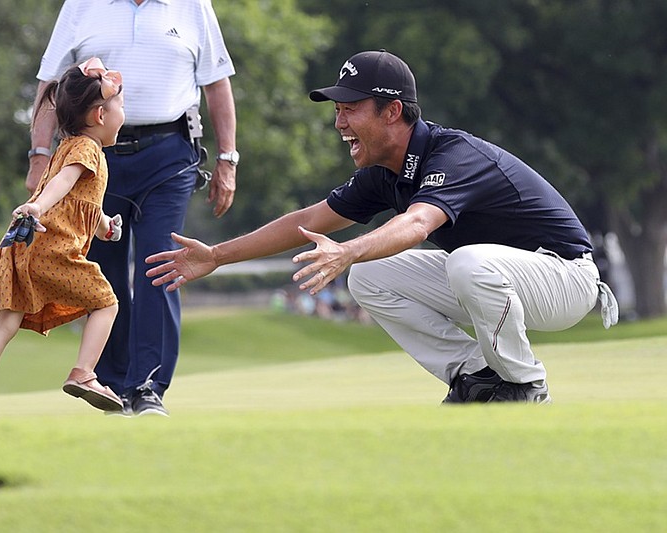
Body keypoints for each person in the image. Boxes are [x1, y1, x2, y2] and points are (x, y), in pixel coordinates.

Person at [145, 49, 620, 404]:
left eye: (351, 109)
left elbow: (416, 224)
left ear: (392, 111)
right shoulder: (384, 173)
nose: (339, 123)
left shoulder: (453, 156)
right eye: (337, 110)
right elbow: (306, 221)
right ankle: (478, 377)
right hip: (501, 281)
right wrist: (215, 255)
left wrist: (348, 249)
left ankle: (523, 384)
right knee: (370, 275)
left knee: (462, 260)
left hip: (565, 279)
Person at [28, 0, 238, 417]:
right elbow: (50, 85)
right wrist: (38, 155)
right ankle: (110, 384)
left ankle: (147, 386)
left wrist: (228, 159)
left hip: (169, 154)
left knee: (158, 262)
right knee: (101, 272)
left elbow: (217, 85)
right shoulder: (81, 6)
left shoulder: (193, 6)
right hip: (91, 156)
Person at [0, 58, 127, 418]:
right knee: (107, 304)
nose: (125, 112)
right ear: (100, 116)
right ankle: (84, 373)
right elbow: (60, 186)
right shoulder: (87, 149)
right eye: (121, 105)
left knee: (6, 321)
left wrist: (104, 225)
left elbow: (79, 201)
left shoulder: (70, 146)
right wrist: (38, 206)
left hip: (24, 246)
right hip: (51, 246)